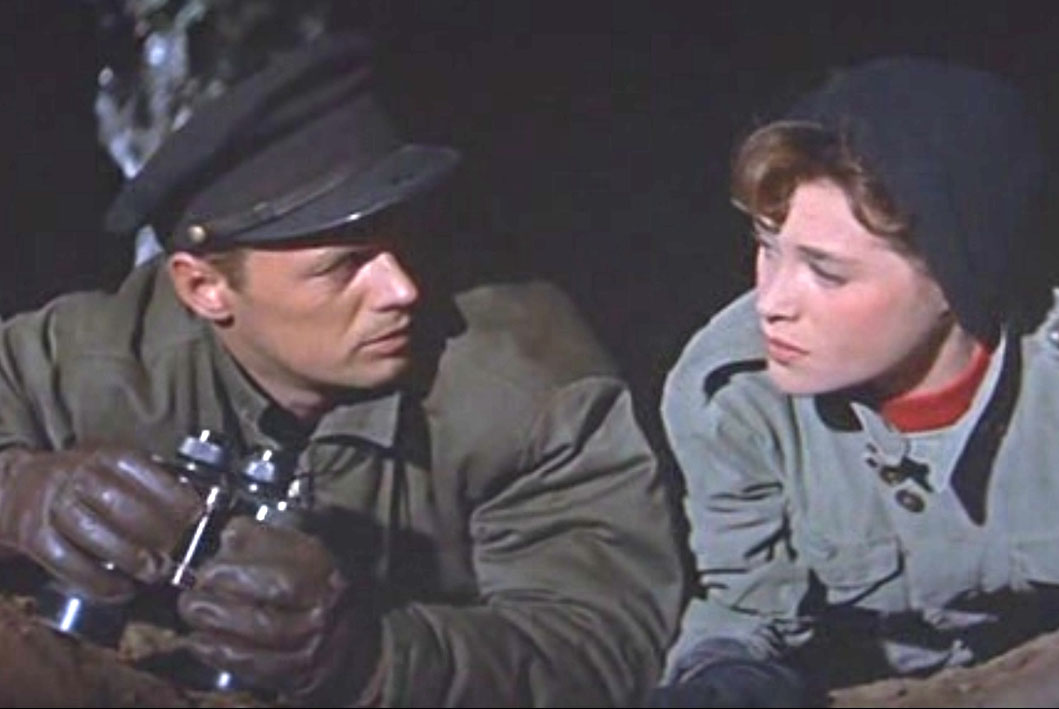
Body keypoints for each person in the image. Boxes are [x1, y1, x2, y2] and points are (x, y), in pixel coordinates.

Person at [0, 33, 682, 706]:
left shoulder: (526, 386)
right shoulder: (97, 353)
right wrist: (18, 492)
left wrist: (371, 658)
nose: (402, 289)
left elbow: (606, 646)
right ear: (204, 288)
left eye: (404, 239)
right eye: (345, 265)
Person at [650, 56, 1059, 706]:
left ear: (954, 280)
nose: (771, 301)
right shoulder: (732, 395)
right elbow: (750, 610)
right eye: (767, 246)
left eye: (826, 272)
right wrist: (724, 676)